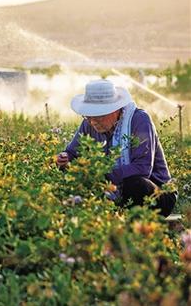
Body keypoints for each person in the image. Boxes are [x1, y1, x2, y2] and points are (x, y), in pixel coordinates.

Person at [56, 79, 177, 216]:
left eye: (99, 116)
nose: (93, 122)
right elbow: (72, 152)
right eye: (89, 116)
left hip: (156, 195)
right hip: (114, 191)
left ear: (115, 110)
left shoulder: (139, 120)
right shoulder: (88, 123)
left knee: (134, 183)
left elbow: (143, 168)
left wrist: (101, 175)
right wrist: (65, 158)